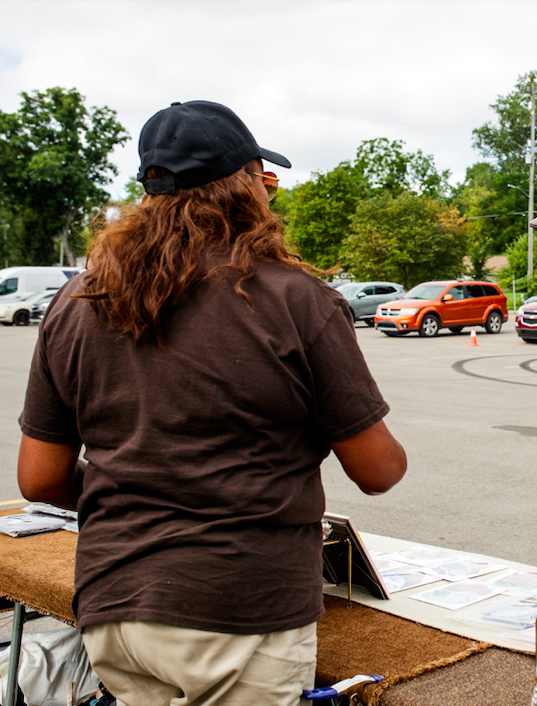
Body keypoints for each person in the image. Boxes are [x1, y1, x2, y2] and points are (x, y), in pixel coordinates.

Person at [17, 100, 407, 706]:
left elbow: (39, 478)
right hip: (240, 608)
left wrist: (141, 482)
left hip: (114, 607)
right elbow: (380, 470)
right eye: (266, 178)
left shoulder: (76, 302)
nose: (270, 193)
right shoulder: (296, 300)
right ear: (244, 185)